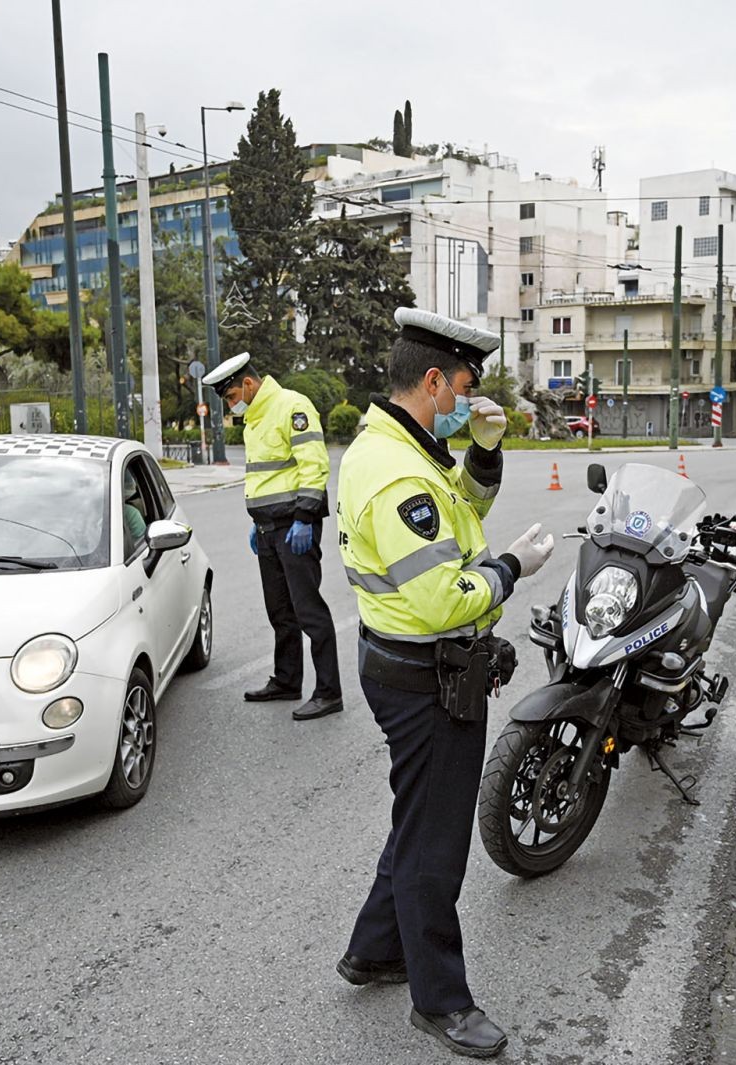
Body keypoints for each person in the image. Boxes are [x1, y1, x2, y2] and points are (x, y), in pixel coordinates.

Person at [336, 308, 555, 1059]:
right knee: (437, 842)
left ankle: (375, 948)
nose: (469, 397)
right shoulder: (396, 471)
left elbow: (461, 509)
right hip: (426, 676)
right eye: (464, 385)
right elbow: (441, 597)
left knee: (418, 815)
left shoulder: (401, 444)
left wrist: (484, 451)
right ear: (434, 380)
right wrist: (513, 568)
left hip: (409, 667)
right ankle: (441, 1000)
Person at [201, 352, 343, 721]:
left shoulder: (291, 406)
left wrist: (304, 519)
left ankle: (329, 692)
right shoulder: (256, 418)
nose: (231, 404)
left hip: (295, 527)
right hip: (269, 528)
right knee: (280, 611)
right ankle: (287, 680)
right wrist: (258, 520)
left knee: (308, 611)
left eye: (231, 396)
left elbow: (314, 466)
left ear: (248, 384)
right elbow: (269, 476)